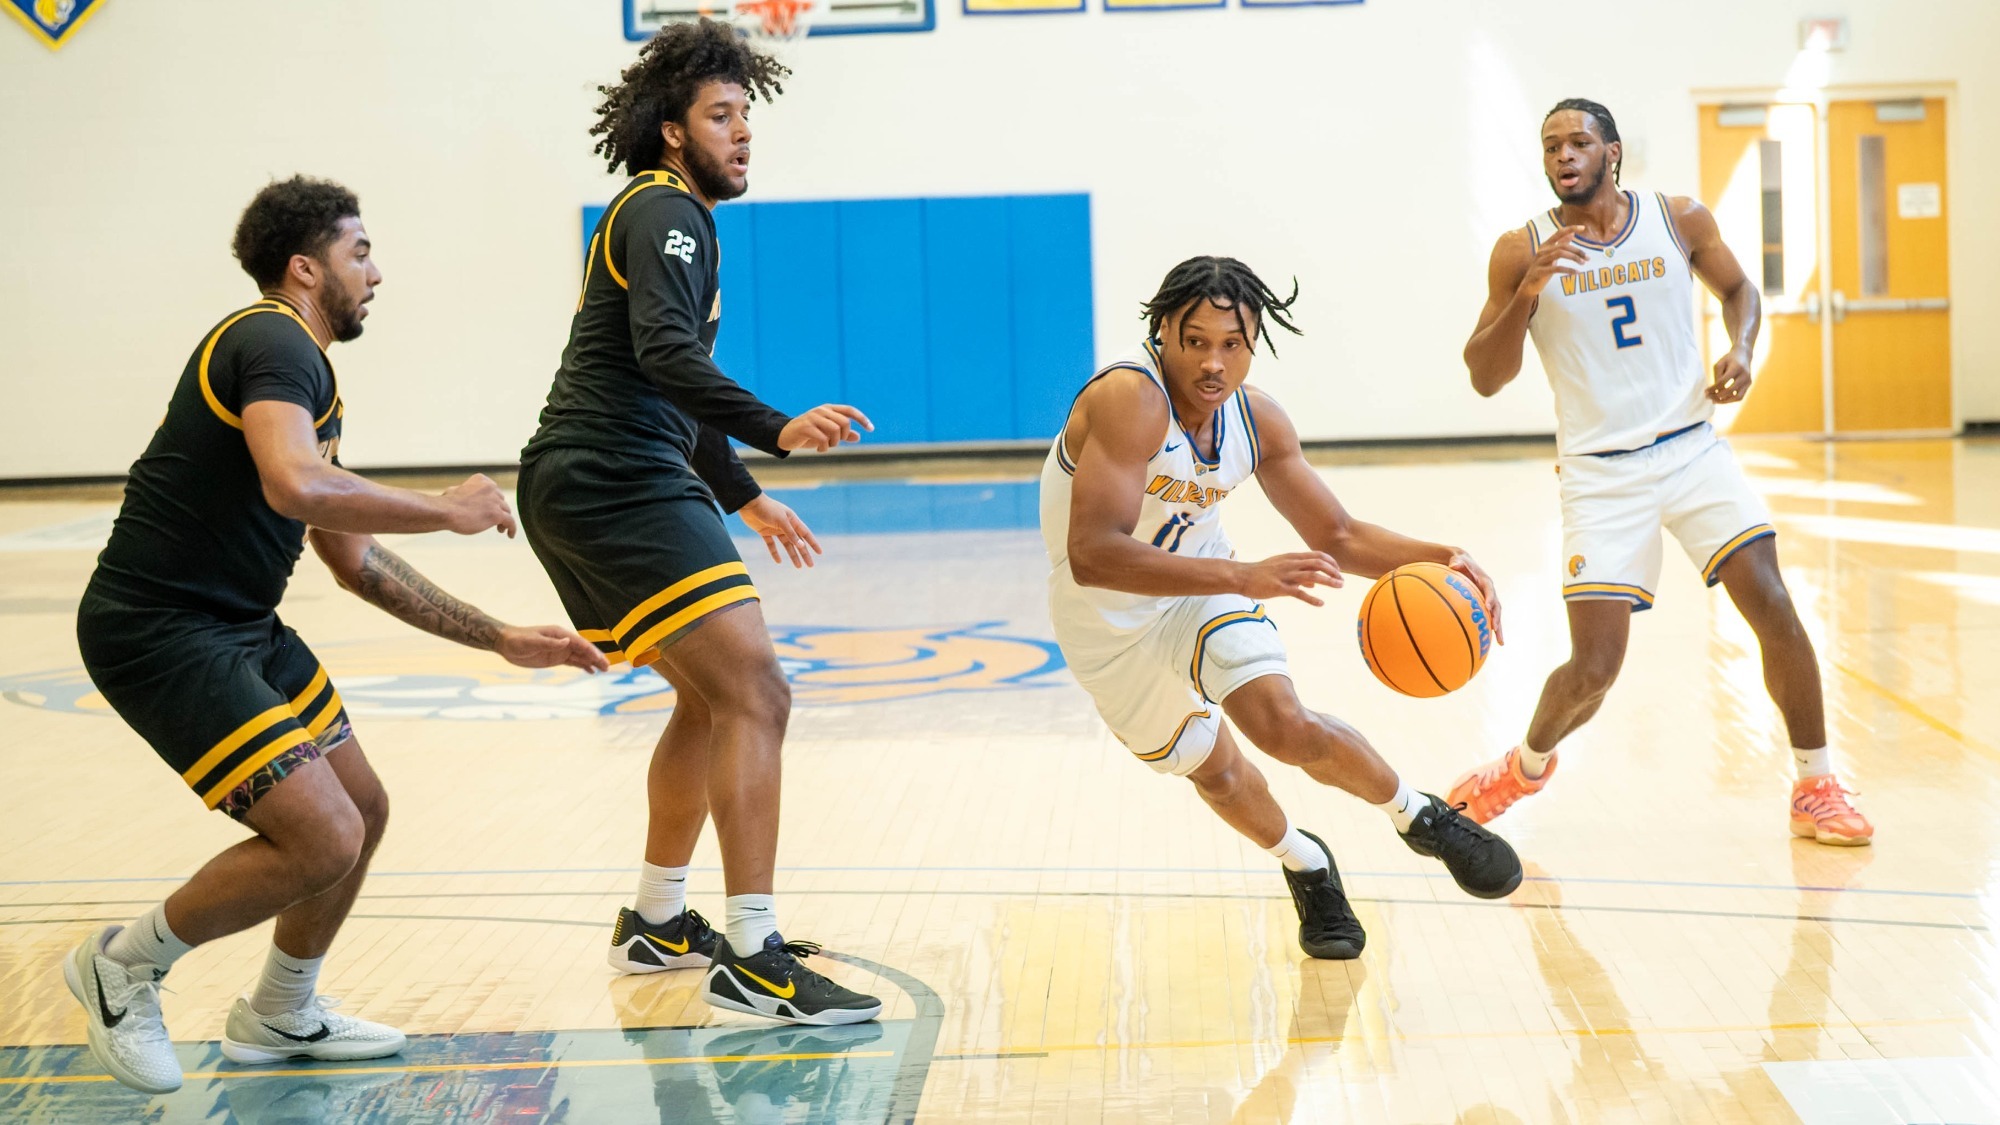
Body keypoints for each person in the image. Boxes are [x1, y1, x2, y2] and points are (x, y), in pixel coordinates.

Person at [65, 176, 608, 1095]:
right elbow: (295, 485)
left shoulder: (302, 373)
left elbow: (354, 559)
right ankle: (121, 966)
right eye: (360, 252)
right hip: (159, 626)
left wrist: (500, 636)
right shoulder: (272, 339)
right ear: (305, 268)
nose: (376, 273)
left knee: (363, 807)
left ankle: (282, 1009)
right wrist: (445, 507)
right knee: (321, 836)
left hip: (240, 624)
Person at [517, 20, 882, 1026]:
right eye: (722, 115)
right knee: (757, 691)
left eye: (745, 115)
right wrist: (776, 427)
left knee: (710, 699)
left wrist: (743, 492)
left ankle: (655, 921)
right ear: (673, 131)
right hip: (614, 477)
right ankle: (753, 957)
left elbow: (666, 380)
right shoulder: (666, 210)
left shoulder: (660, 213)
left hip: (590, 475)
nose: (743, 132)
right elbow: (668, 356)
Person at [1041, 255, 1524, 961]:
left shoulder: (1257, 419)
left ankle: (1419, 815)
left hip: (1202, 592)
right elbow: (1093, 554)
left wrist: (1444, 555)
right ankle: (1308, 863)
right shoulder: (1129, 399)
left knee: (1283, 723)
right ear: (1162, 332)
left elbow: (1339, 535)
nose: (1213, 363)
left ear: (1254, 342)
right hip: (1104, 620)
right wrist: (1245, 574)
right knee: (1218, 774)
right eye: (1195, 341)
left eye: (1231, 344)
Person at [1454, 98, 1872, 846]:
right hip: (1600, 472)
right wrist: (1526, 295)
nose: (1563, 155)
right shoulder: (1521, 250)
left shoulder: (1677, 219)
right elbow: (1485, 377)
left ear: (1612, 152)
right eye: (1550, 145)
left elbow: (1740, 292)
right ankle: (1524, 766)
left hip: (1690, 448)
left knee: (1773, 602)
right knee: (1594, 667)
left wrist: (1742, 349)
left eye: (1578, 141)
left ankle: (1816, 783)